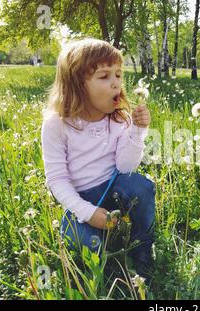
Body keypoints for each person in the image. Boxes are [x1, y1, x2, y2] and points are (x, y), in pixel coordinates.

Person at [41, 38, 155, 280]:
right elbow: (57, 180)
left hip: (114, 189)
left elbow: (126, 166)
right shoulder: (57, 124)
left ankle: (142, 247)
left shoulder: (118, 118)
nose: (116, 83)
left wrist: (137, 130)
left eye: (118, 74)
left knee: (142, 187)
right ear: (76, 85)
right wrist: (87, 212)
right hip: (79, 201)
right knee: (91, 246)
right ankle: (95, 241)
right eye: (104, 77)